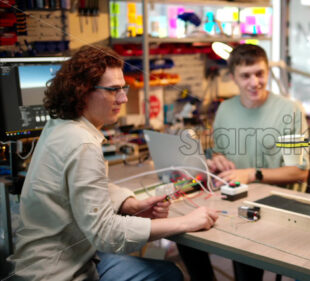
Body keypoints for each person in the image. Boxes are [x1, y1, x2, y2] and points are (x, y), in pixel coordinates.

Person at [6, 45, 219, 281]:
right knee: (169, 275)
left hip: (57, 259)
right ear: (83, 91)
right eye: (113, 90)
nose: (124, 98)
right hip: (58, 272)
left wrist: (130, 204)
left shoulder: (60, 124)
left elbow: (87, 186)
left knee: (166, 271)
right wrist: (184, 222)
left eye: (123, 88)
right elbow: (107, 234)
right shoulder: (82, 142)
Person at [177, 43, 310, 281]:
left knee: (243, 255)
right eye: (246, 76)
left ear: (268, 71)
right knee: (185, 235)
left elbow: (299, 173)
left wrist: (251, 174)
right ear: (232, 78)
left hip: (274, 206)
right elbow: (219, 154)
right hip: (231, 199)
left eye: (260, 73)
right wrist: (217, 160)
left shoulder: (290, 111)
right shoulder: (225, 109)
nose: (254, 82)